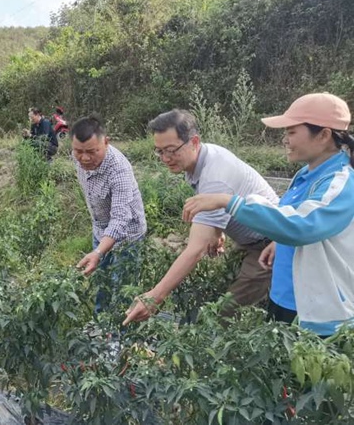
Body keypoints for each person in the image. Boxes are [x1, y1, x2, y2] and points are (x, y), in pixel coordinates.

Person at [182, 93, 354, 336]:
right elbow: (292, 215)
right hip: (286, 297)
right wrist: (276, 241)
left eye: (292, 132)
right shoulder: (306, 174)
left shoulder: (341, 183)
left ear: (324, 135)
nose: (285, 139)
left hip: (319, 314)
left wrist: (229, 202)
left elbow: (302, 226)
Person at [123, 109, 278, 325]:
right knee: (224, 298)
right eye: (159, 151)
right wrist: (217, 229)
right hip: (251, 239)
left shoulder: (216, 175)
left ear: (194, 141)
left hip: (270, 245)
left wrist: (155, 296)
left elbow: (195, 250)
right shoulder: (202, 159)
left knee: (225, 312)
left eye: (171, 150)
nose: (165, 159)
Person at [71, 115, 147, 313]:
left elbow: (121, 218)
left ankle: (121, 335)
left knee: (123, 287)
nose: (84, 158)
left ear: (106, 142)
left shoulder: (119, 171)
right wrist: (99, 251)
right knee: (101, 281)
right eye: (78, 151)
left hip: (128, 236)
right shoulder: (78, 158)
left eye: (91, 152)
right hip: (100, 229)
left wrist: (98, 252)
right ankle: (101, 324)